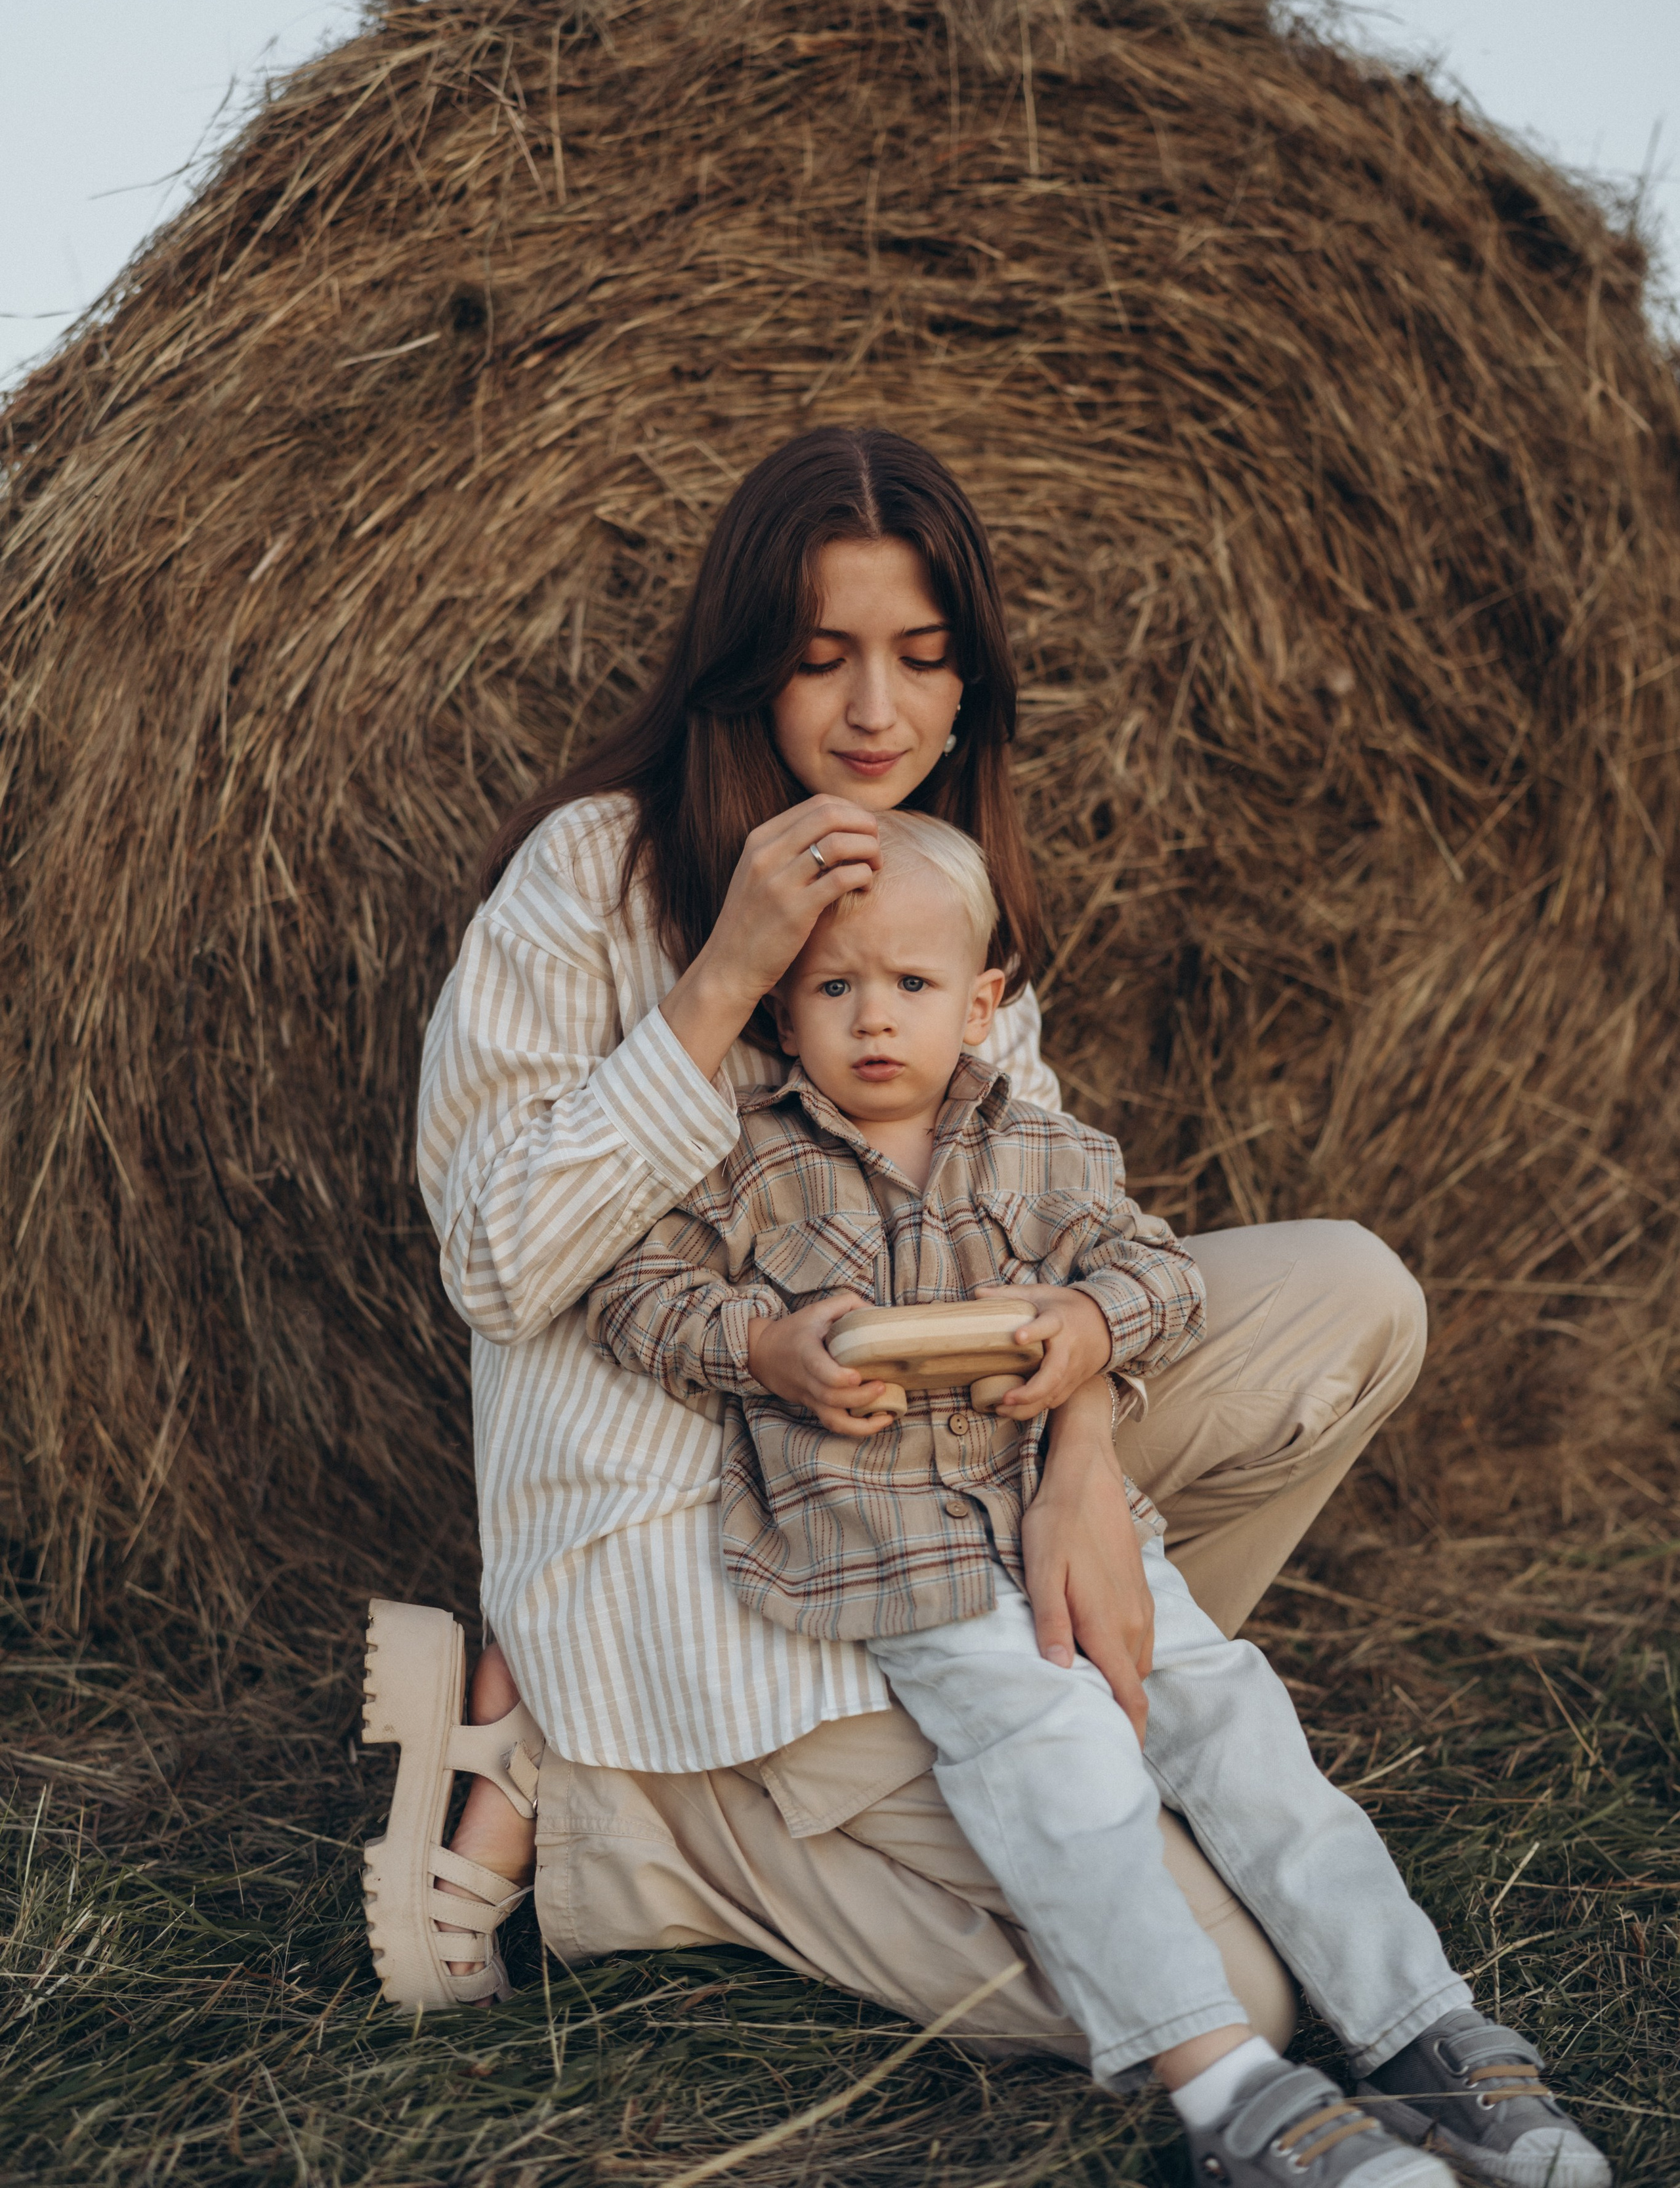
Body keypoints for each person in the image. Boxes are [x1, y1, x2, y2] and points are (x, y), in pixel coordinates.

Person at [366, 427, 1496, 2116]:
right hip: (715, 1558)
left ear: (971, 688)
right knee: (1238, 1985)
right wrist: (727, 973)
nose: (874, 713)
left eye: (920, 659)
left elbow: (1050, 1240)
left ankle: (1074, 1742)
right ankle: (622, 1815)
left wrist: (1086, 1459)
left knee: (1345, 1293)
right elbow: (493, 1260)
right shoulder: (589, 880)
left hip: (951, 1484)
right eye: (823, 662)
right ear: (743, 676)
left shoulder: (945, 906)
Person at [580, 809, 1609, 2188]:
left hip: (1074, 1526)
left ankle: (1421, 2025)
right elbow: (631, 1293)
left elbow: (1160, 1273)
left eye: (911, 986)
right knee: (1058, 1764)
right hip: (899, 1557)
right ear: (781, 1002)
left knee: (1241, 1730)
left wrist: (1084, 1322)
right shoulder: (743, 1162)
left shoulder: (1041, 1148)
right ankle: (1226, 2097)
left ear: (982, 1004)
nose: (872, 1020)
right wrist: (764, 1346)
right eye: (834, 988)